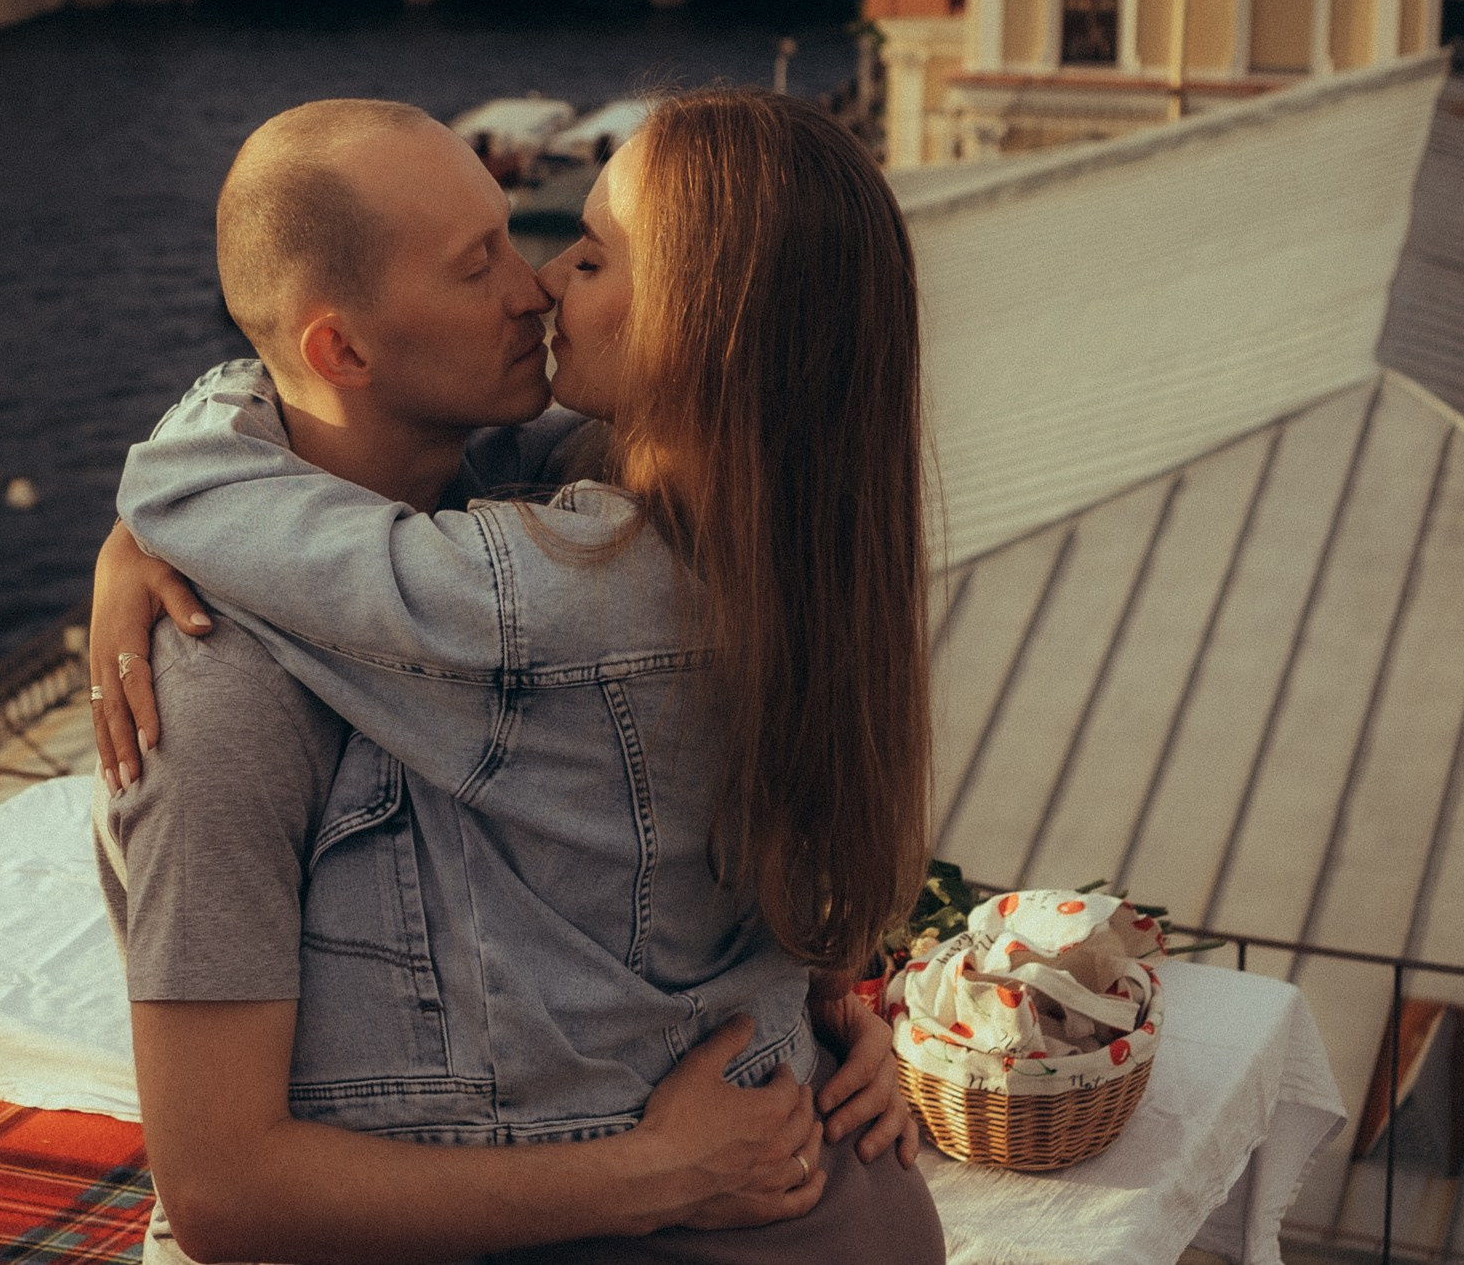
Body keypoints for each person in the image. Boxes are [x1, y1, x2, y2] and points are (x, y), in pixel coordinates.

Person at [88, 96, 942, 1263]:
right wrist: (665, 1162)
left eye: (573, 251)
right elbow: (223, 1193)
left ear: (697, 329)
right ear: (342, 348)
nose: (538, 286)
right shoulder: (218, 686)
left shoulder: (554, 547)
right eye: (479, 261)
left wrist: (152, 515)